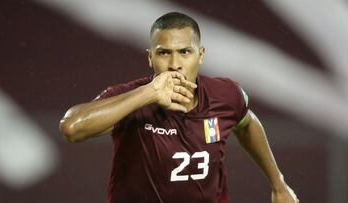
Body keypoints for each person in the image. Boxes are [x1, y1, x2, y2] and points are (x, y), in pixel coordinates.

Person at [59, 12, 299, 203]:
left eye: (185, 52)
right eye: (164, 53)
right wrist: (149, 93)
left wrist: (278, 184)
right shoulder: (129, 99)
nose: (175, 65)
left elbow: (246, 123)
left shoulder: (225, 96)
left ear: (201, 55)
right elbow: (71, 128)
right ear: (150, 58)